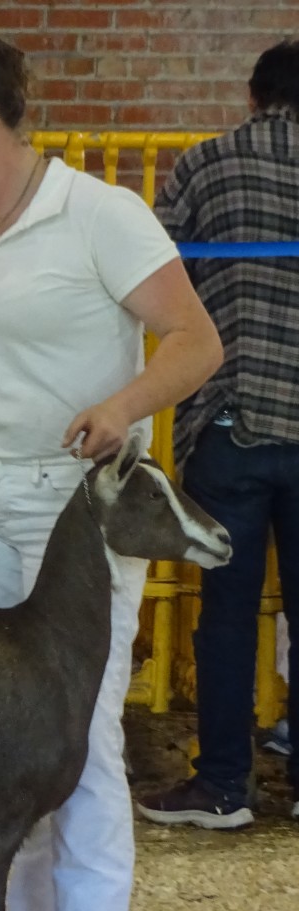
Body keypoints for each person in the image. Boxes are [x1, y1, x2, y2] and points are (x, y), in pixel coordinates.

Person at [0, 13, 223, 911]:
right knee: (0, 752)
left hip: (72, 508)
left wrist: (122, 404)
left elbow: (196, 344)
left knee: (81, 751)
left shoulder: (101, 214)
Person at [137, 39, 299, 831]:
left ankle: (226, 786)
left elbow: (162, 281)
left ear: (254, 95)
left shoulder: (206, 165)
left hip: (234, 422)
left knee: (227, 615)